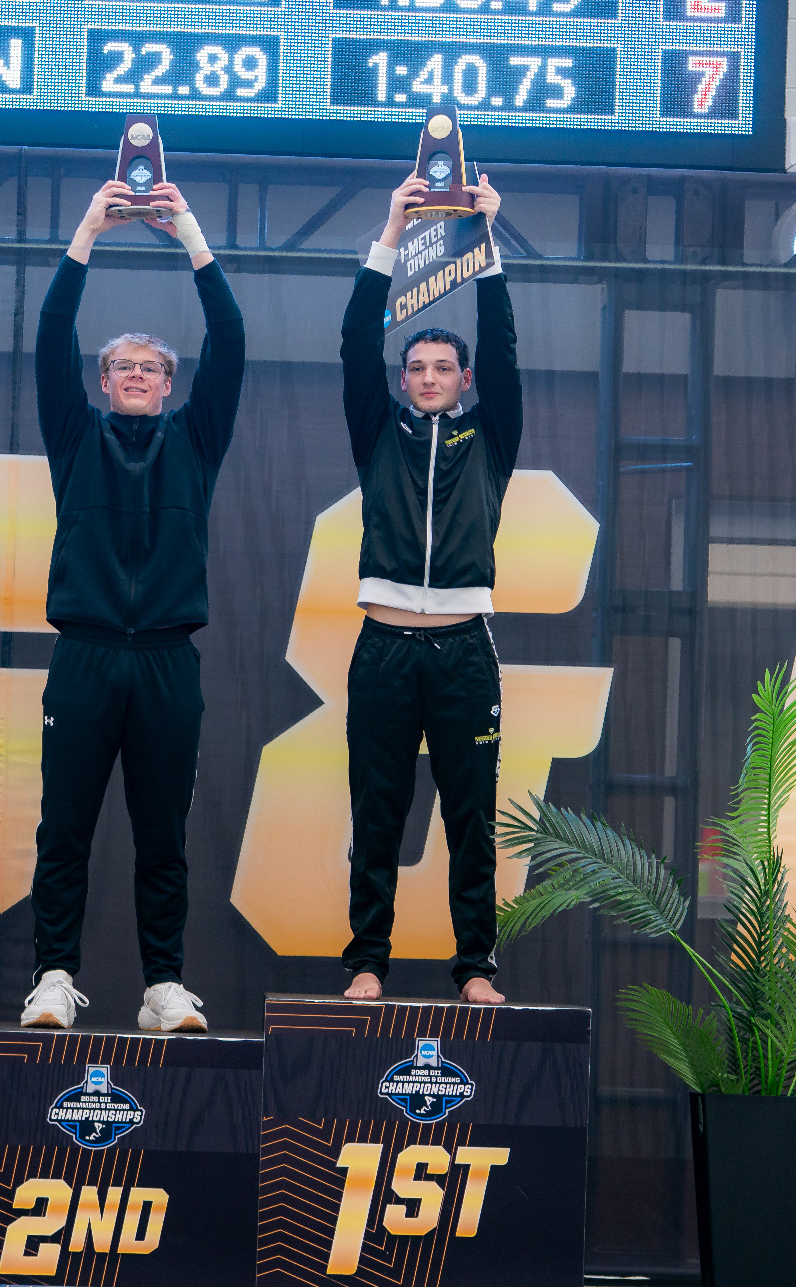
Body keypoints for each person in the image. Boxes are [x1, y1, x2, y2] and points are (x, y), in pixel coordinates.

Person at [19, 179, 245, 1034]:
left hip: (165, 660)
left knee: (164, 838)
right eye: (123, 367)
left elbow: (230, 332)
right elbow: (49, 335)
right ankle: (51, 977)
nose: (139, 376)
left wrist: (186, 227)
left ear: (170, 381)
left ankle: (162, 986)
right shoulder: (74, 434)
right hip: (84, 655)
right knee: (63, 831)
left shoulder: (197, 436)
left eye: (152, 367)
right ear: (103, 381)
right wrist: (87, 229)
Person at [340, 172, 518, 1006]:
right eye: (417, 366)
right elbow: (351, 346)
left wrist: (487, 247)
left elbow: (507, 355)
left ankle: (476, 966)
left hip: (462, 649)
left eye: (445, 366)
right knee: (377, 815)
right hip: (382, 645)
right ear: (405, 377)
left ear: (464, 377)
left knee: (469, 822)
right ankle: (367, 960)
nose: (429, 375)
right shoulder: (380, 430)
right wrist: (391, 223)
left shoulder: (492, 434)